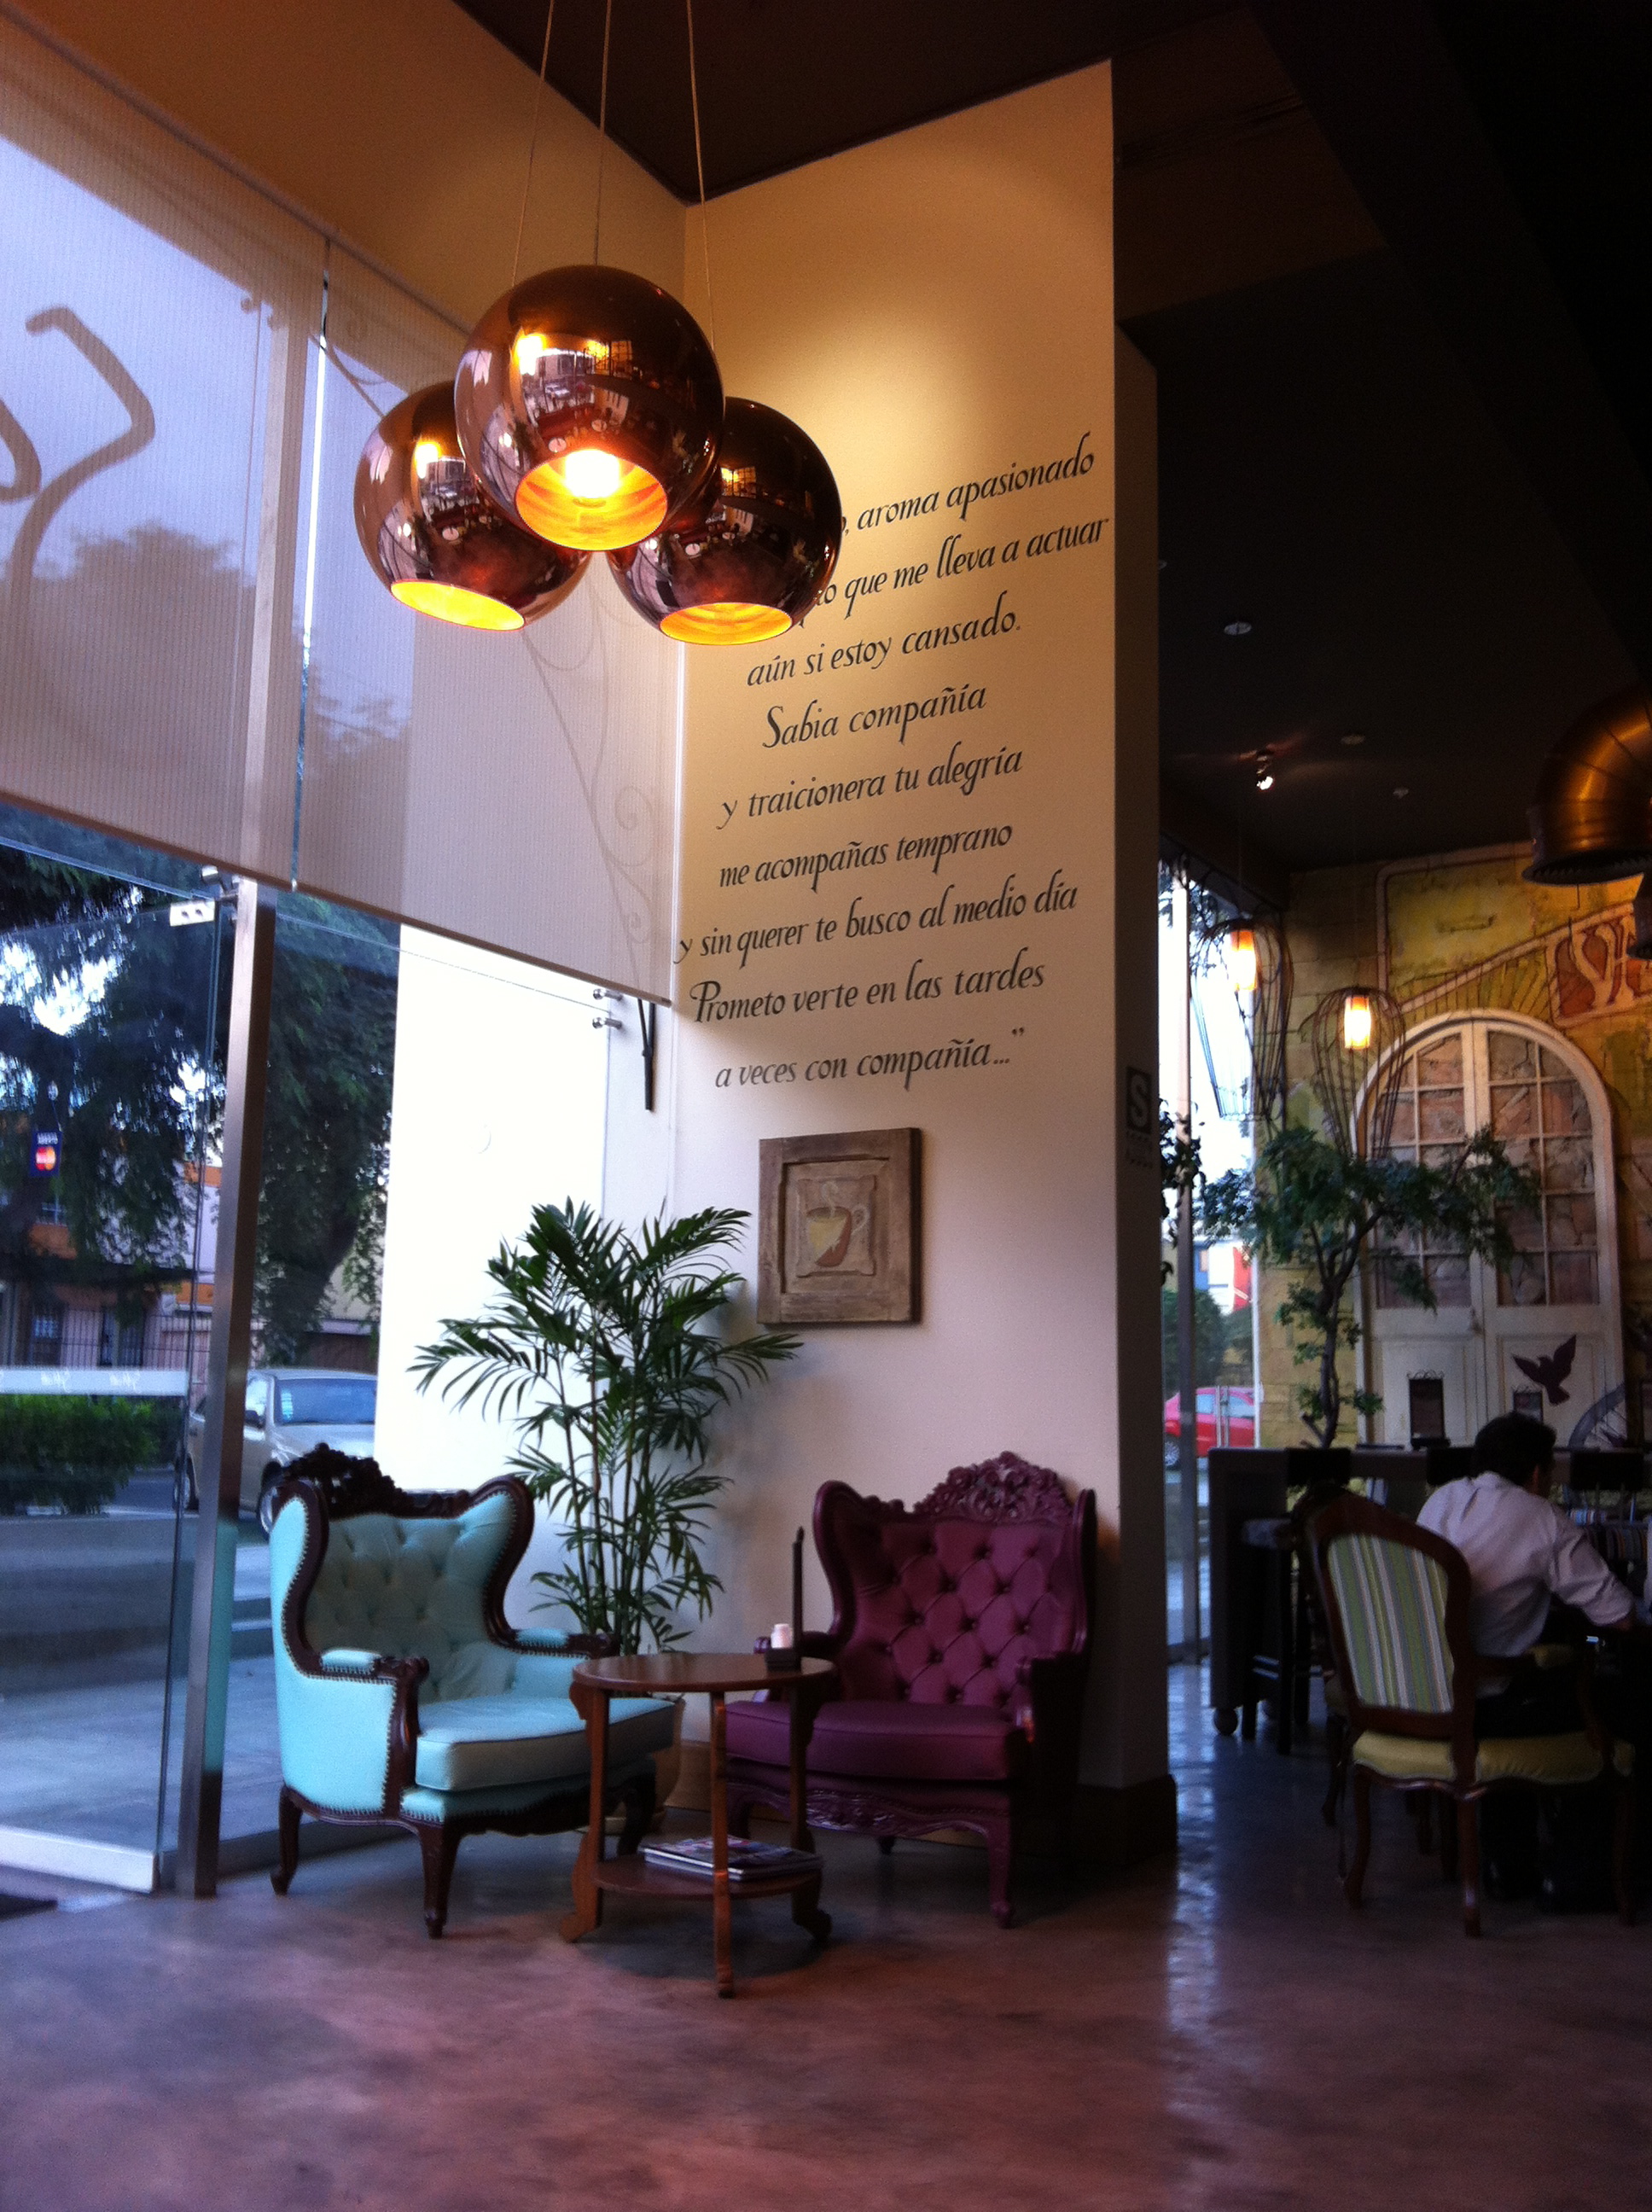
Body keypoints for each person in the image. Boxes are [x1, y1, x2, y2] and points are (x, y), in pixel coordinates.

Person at [1417, 1412, 1649, 1901]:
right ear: (1539, 1473)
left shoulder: (1441, 1501)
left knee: (1538, 1686)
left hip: (1426, 1694)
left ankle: (1508, 1863)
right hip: (1488, 1702)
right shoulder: (1541, 1518)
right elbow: (1620, 1617)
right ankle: (1578, 1874)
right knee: (1625, 1705)